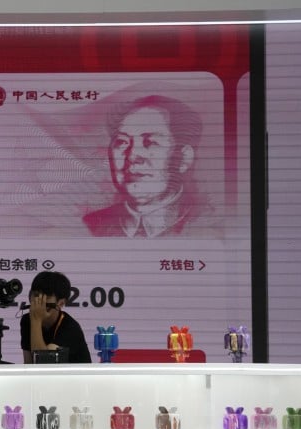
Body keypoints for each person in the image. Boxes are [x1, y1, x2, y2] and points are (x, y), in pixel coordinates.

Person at [83, 95, 206, 238]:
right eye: (122, 142)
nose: (133, 156)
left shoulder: (205, 224)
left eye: (151, 142)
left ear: (184, 158)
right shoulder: (90, 225)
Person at [19, 271, 91, 364]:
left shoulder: (70, 327)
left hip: (75, 377)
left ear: (60, 303)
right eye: (36, 295)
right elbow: (28, 363)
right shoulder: (27, 320)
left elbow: (43, 364)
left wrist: (36, 320)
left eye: (46, 297)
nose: (38, 301)